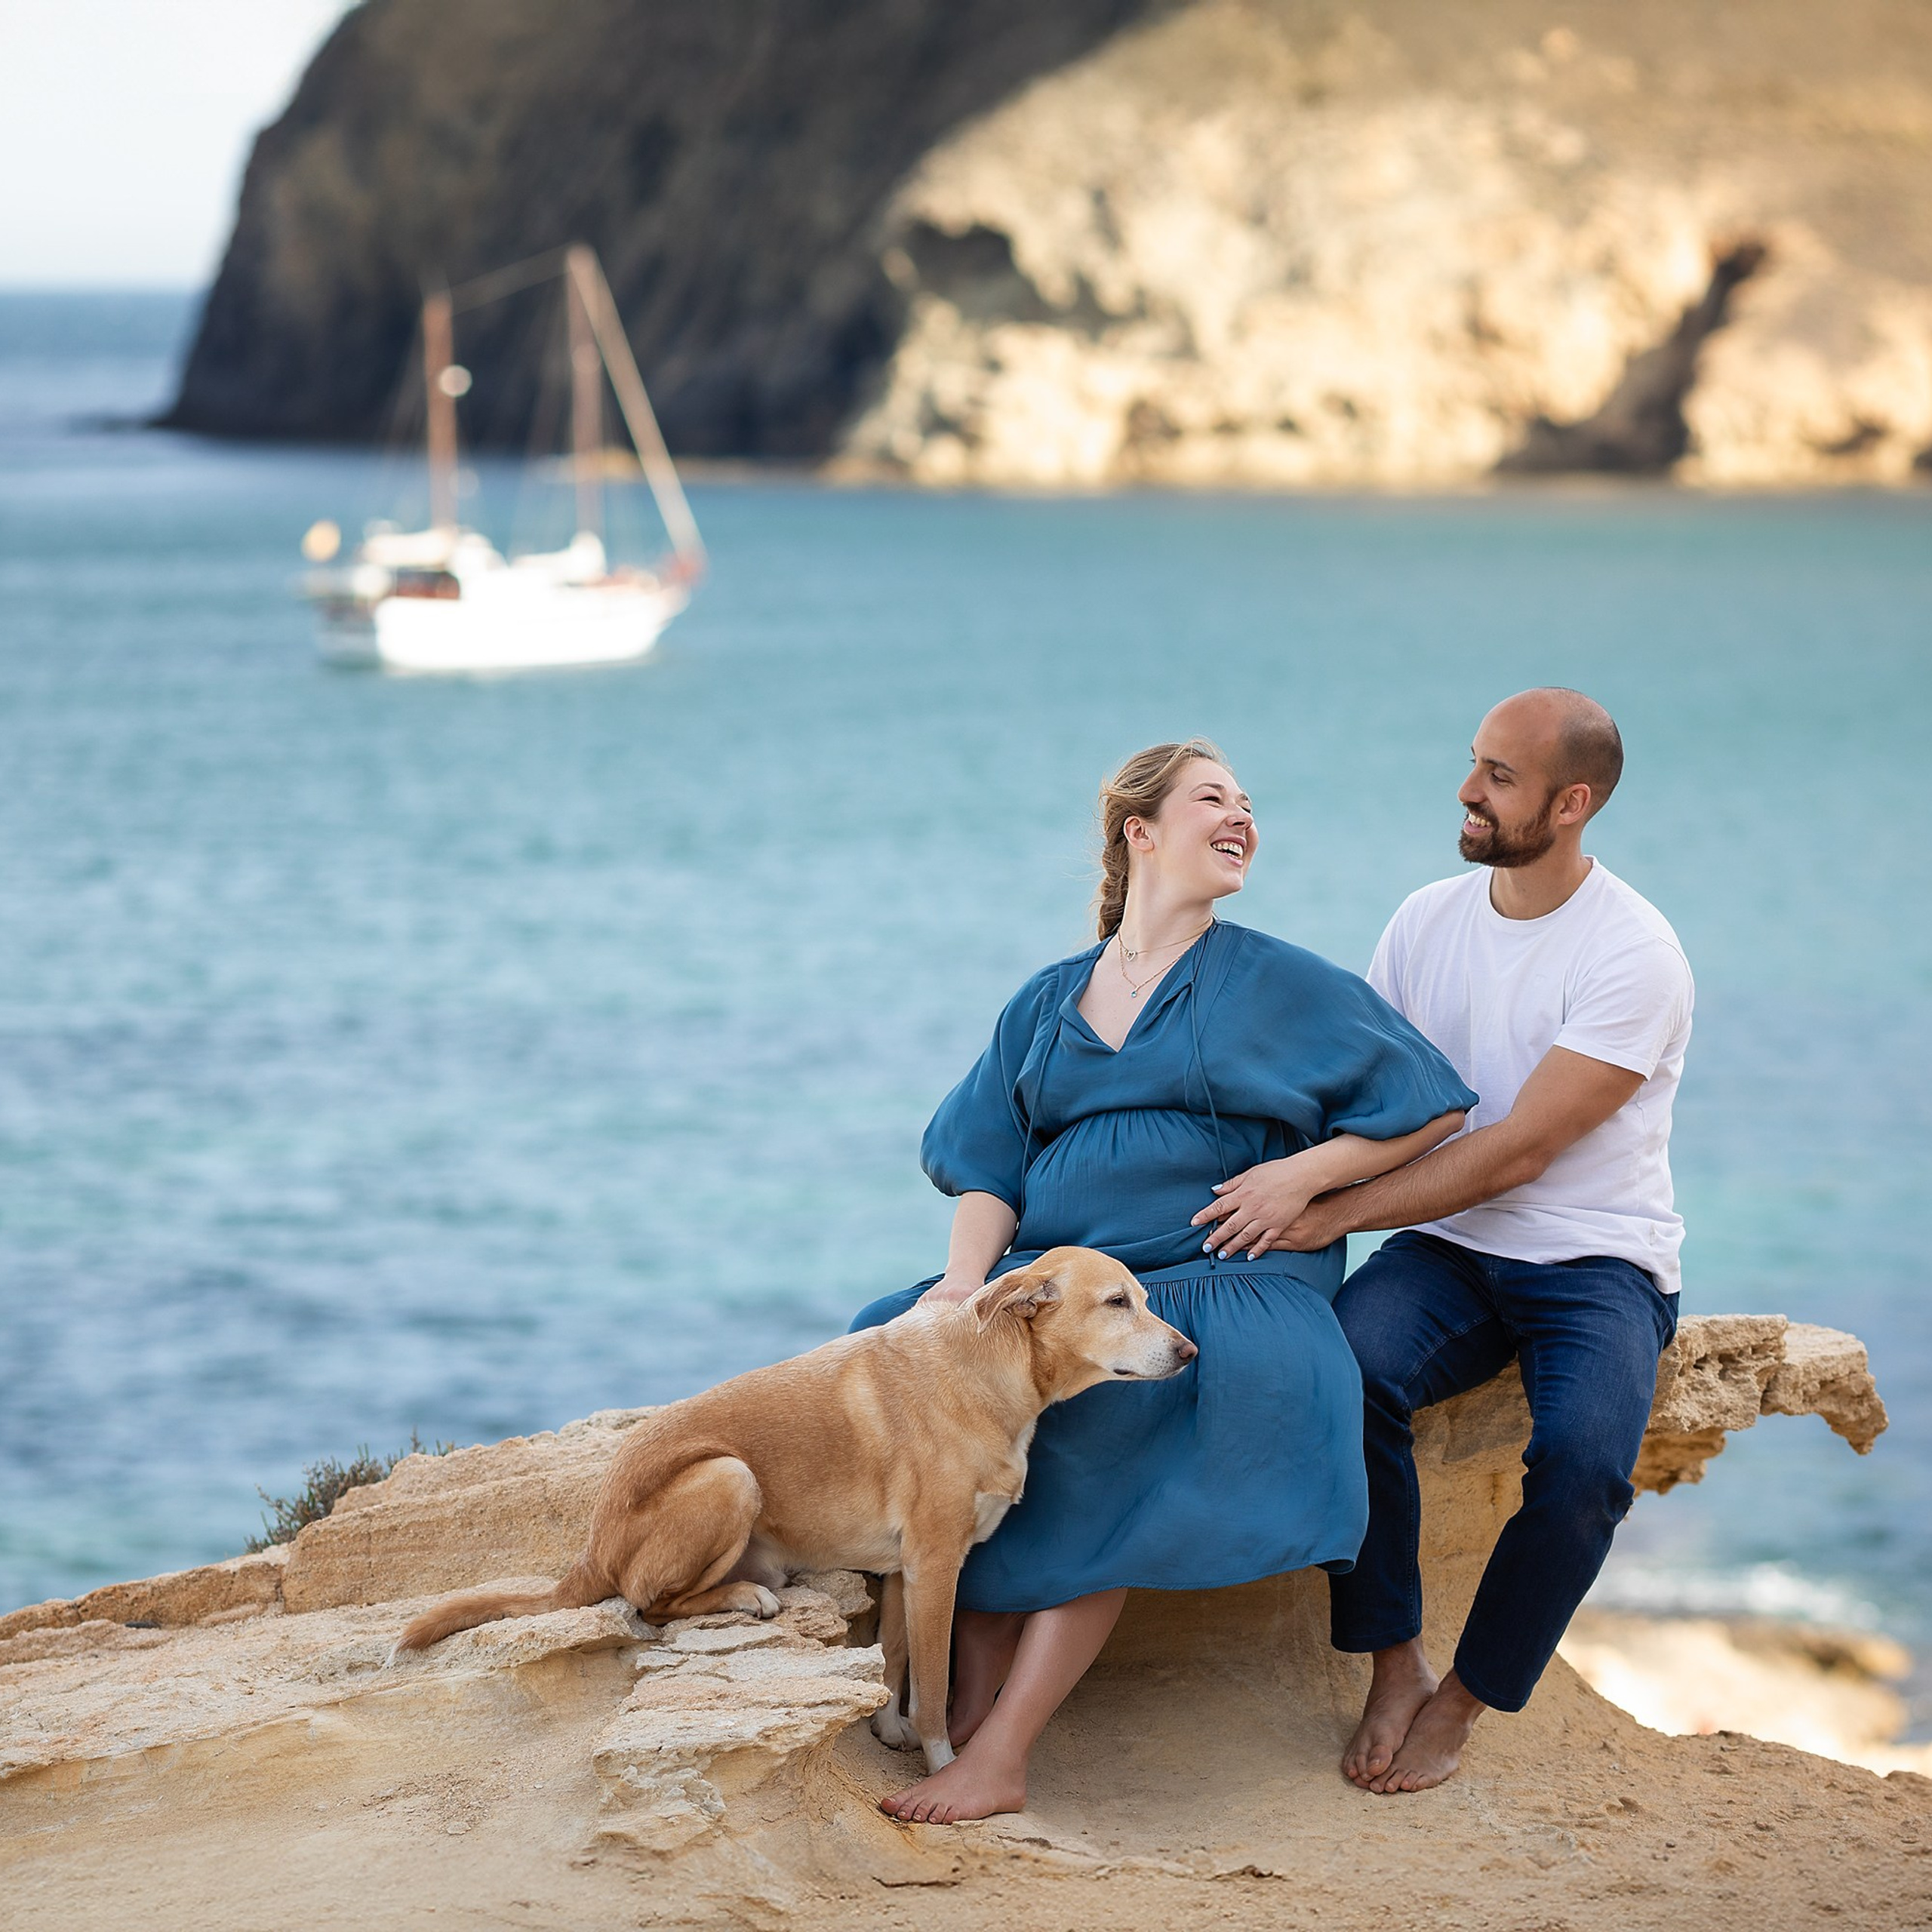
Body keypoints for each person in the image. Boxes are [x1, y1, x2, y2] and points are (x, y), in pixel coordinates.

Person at [849, 739, 1476, 1823]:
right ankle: (959, 1704)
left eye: (1249, 805)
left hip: (1217, 1278)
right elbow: (990, 1164)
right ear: (1139, 832)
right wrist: (960, 1286)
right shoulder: (1048, 999)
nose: (1242, 818)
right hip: (1056, 1278)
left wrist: (1304, 1178)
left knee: (1111, 1410)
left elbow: (1432, 1102)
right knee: (899, 1356)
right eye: (1213, 799)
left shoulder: (1278, 980)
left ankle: (1001, 1754)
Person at [1241, 688, 1693, 1795]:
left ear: (1572, 804)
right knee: (1345, 1374)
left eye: (1499, 776)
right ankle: (1394, 1660)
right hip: (1448, 1249)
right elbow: (1369, 1099)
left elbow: (1520, 1151)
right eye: (1474, 763)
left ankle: (1469, 1695)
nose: (1467, 791)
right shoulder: (1425, 921)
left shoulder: (1636, 953)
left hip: (1597, 1259)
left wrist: (1333, 1215)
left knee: (1583, 1466)